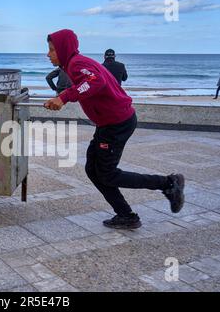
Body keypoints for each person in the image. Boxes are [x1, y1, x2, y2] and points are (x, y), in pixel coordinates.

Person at [44, 29, 185, 230]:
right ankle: (126, 215)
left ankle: (168, 184)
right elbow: (91, 82)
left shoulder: (76, 64)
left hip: (116, 124)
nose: (48, 54)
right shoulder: (76, 63)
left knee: (107, 173)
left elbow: (95, 81)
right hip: (110, 123)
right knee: (93, 169)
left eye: (51, 50)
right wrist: (63, 96)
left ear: (64, 49)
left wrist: (64, 97)